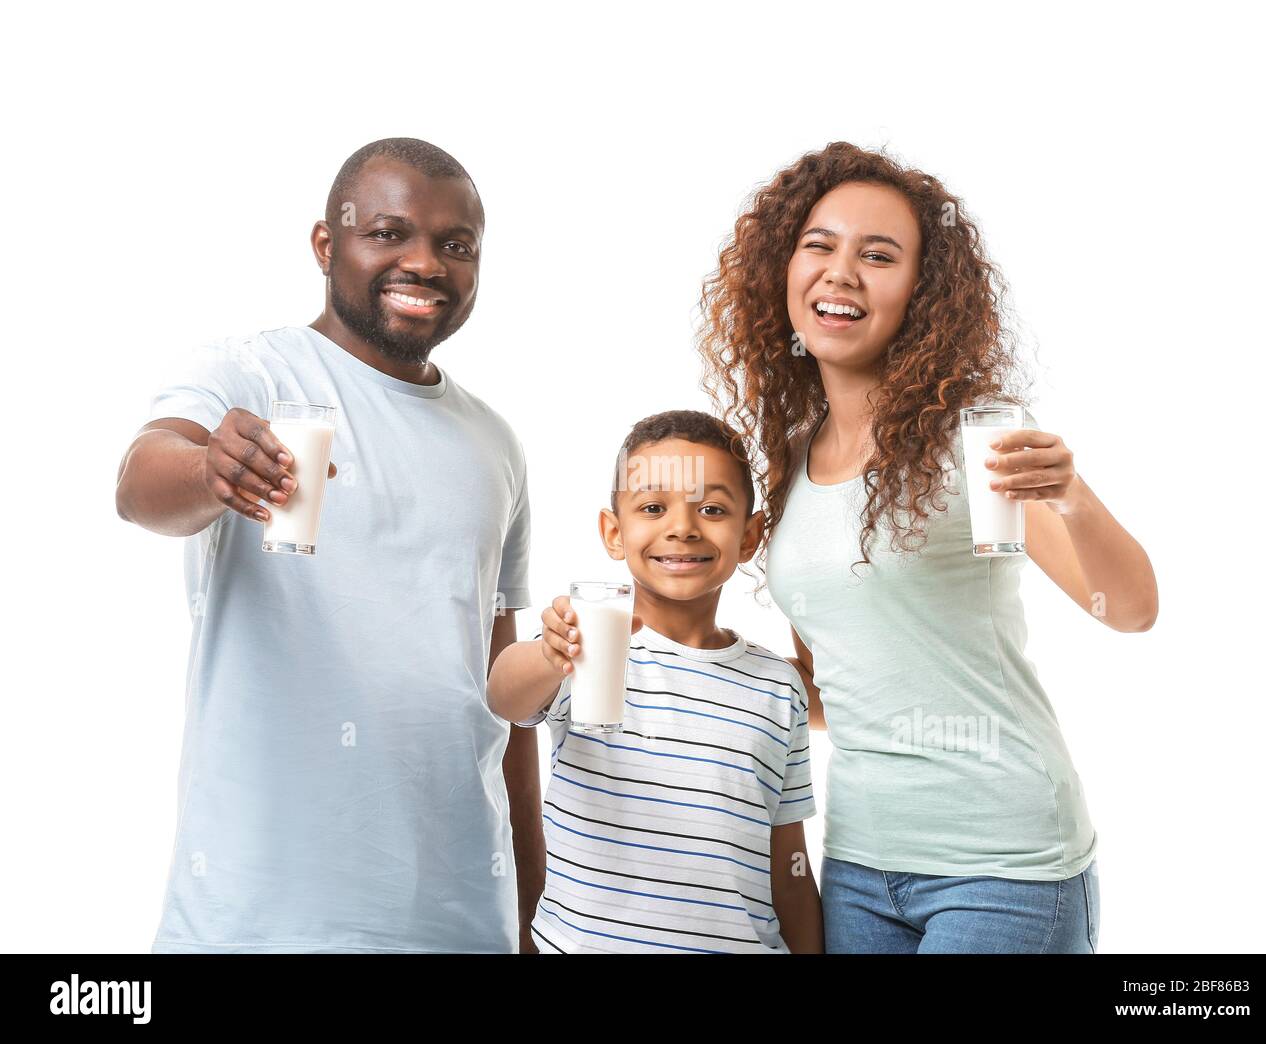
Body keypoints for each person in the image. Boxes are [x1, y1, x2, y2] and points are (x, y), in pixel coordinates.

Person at [697, 142, 1158, 953]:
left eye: (878, 256)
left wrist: (1071, 497)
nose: (842, 272)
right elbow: (832, 689)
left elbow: (1128, 611)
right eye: (820, 245)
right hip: (862, 867)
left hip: (1006, 866)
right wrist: (692, 674)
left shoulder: (972, 439)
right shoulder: (795, 457)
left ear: (920, 293)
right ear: (782, 267)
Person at [115, 137, 544, 953]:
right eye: (388, 233)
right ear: (326, 244)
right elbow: (138, 484)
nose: (424, 263)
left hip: (458, 919)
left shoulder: (496, 444)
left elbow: (502, 689)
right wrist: (211, 470)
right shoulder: (250, 375)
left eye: (455, 246)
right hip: (258, 923)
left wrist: (527, 912)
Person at [487, 410, 823, 952]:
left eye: (712, 509)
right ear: (614, 533)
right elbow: (504, 696)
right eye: (653, 508)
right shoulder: (585, 647)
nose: (683, 527)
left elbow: (791, 862)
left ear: (750, 536)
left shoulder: (777, 684)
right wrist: (549, 653)